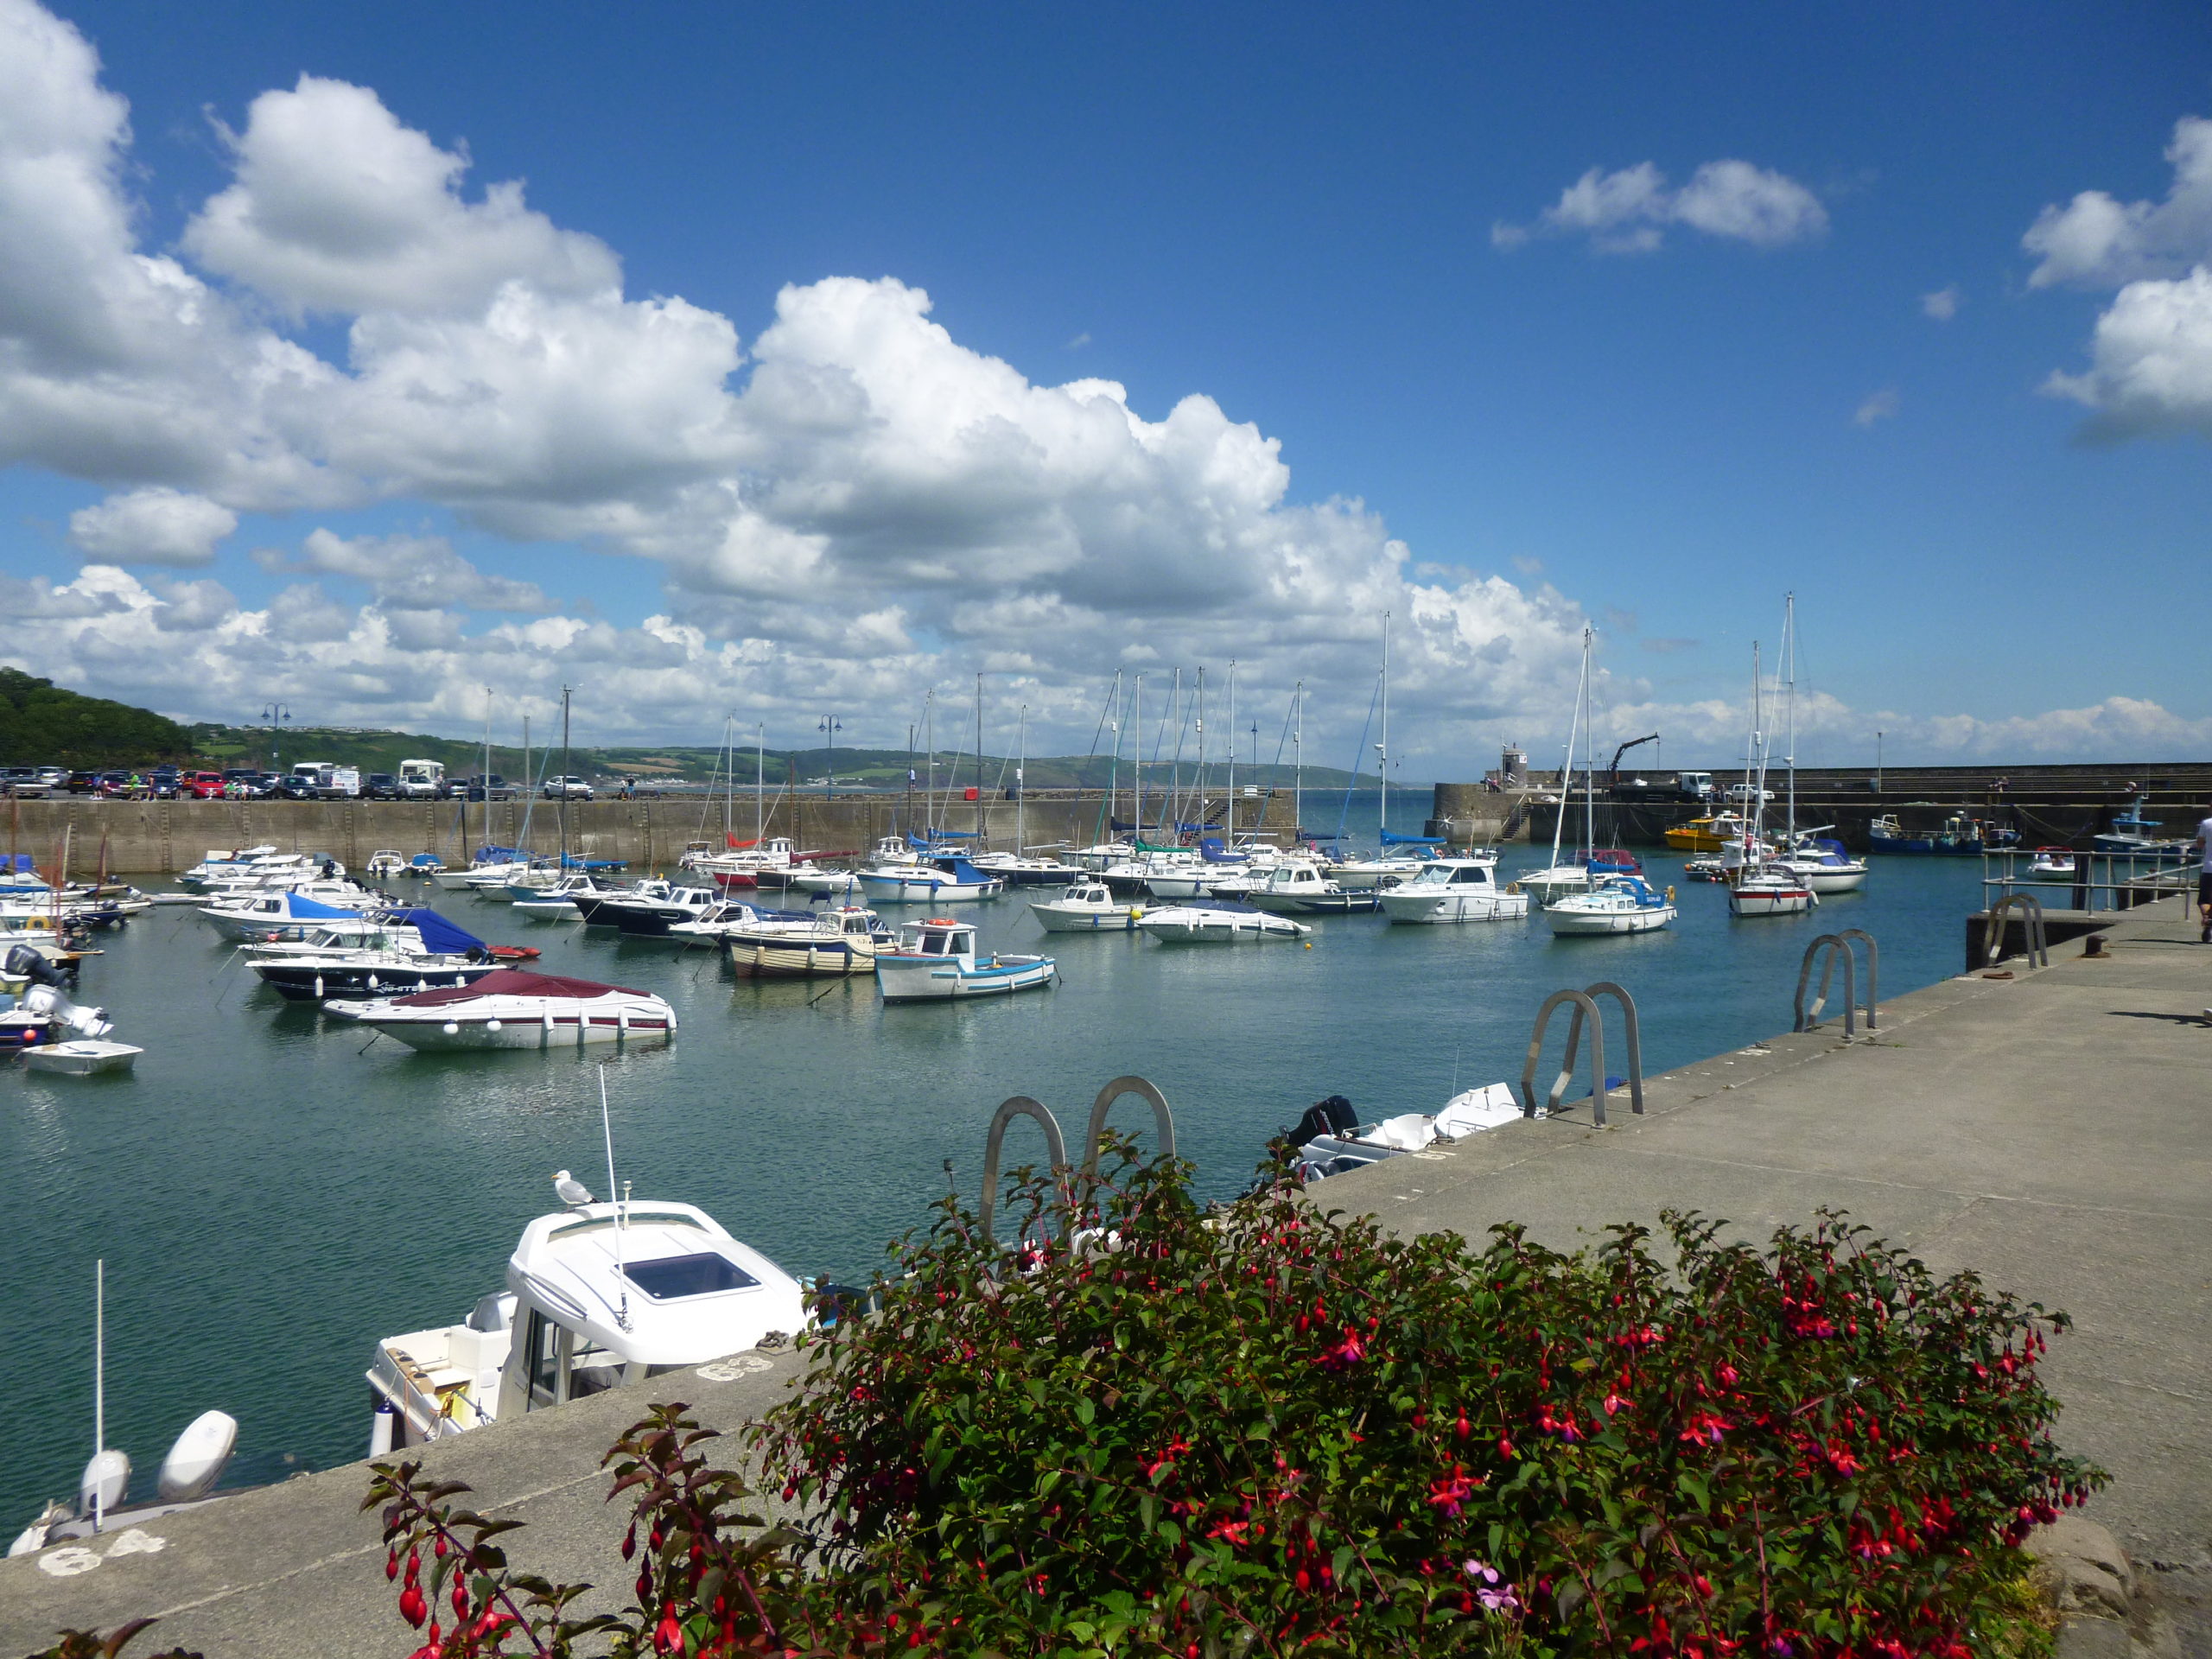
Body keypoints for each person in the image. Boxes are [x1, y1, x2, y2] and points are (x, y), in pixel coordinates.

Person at [2196, 804, 2212, 944]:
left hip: (2209, 867)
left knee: (2204, 900)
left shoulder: (2206, 823)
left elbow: (2200, 844)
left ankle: (2208, 919)